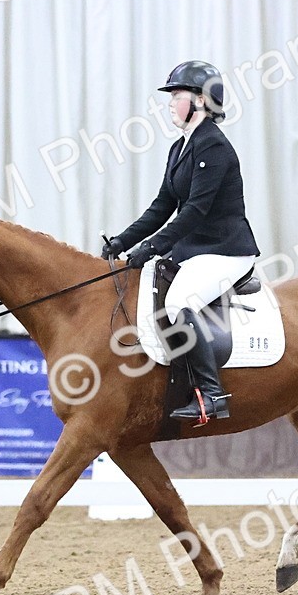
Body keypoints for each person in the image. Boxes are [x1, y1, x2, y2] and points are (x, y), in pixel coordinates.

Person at [102, 60, 260, 424]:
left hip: (226, 250)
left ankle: (212, 395)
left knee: (178, 303)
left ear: (202, 101)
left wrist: (150, 248)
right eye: (170, 96)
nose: (170, 103)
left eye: (178, 95)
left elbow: (194, 212)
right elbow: (163, 206)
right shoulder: (180, 148)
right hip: (196, 250)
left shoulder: (214, 148)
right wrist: (122, 241)